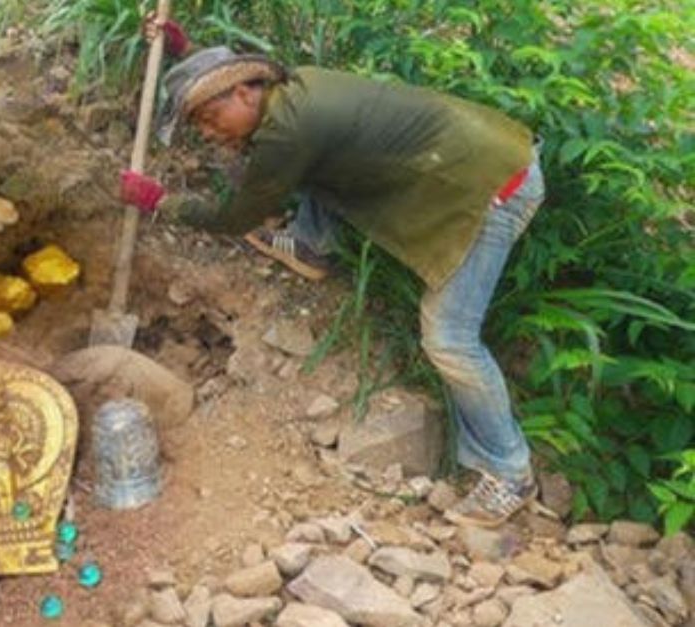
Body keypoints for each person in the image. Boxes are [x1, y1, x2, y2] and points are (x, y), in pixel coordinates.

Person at [123, 18, 547, 528]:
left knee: (450, 339)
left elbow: (237, 217)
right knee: (323, 163)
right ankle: (311, 245)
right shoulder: (295, 90)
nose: (211, 134)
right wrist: (186, 52)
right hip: (479, 151)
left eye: (211, 119)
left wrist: (161, 202)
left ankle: (510, 472)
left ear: (242, 91)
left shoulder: (289, 131)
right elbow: (247, 107)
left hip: (491, 187)